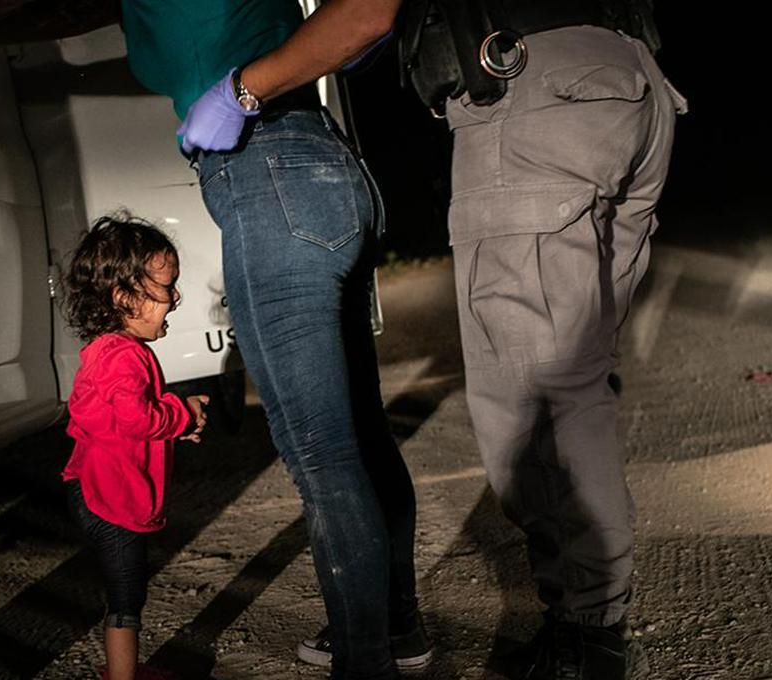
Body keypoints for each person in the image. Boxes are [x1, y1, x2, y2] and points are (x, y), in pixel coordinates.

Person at [134, 1, 435, 679]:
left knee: (323, 457)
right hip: (322, 164)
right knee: (357, 434)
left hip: (269, 173)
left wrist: (239, 93)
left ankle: (366, 663)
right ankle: (397, 629)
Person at [387, 1, 686, 677]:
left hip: (531, 80)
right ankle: (592, 626)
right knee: (576, 374)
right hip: (629, 72)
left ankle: (585, 638)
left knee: (537, 389)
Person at [60, 215, 209, 680]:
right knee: (126, 597)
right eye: (167, 288)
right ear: (126, 298)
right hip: (110, 499)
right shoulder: (125, 357)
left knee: (124, 590)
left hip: (91, 488)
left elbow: (121, 420)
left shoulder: (107, 350)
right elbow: (137, 418)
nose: (176, 299)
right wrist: (181, 414)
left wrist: (174, 424)